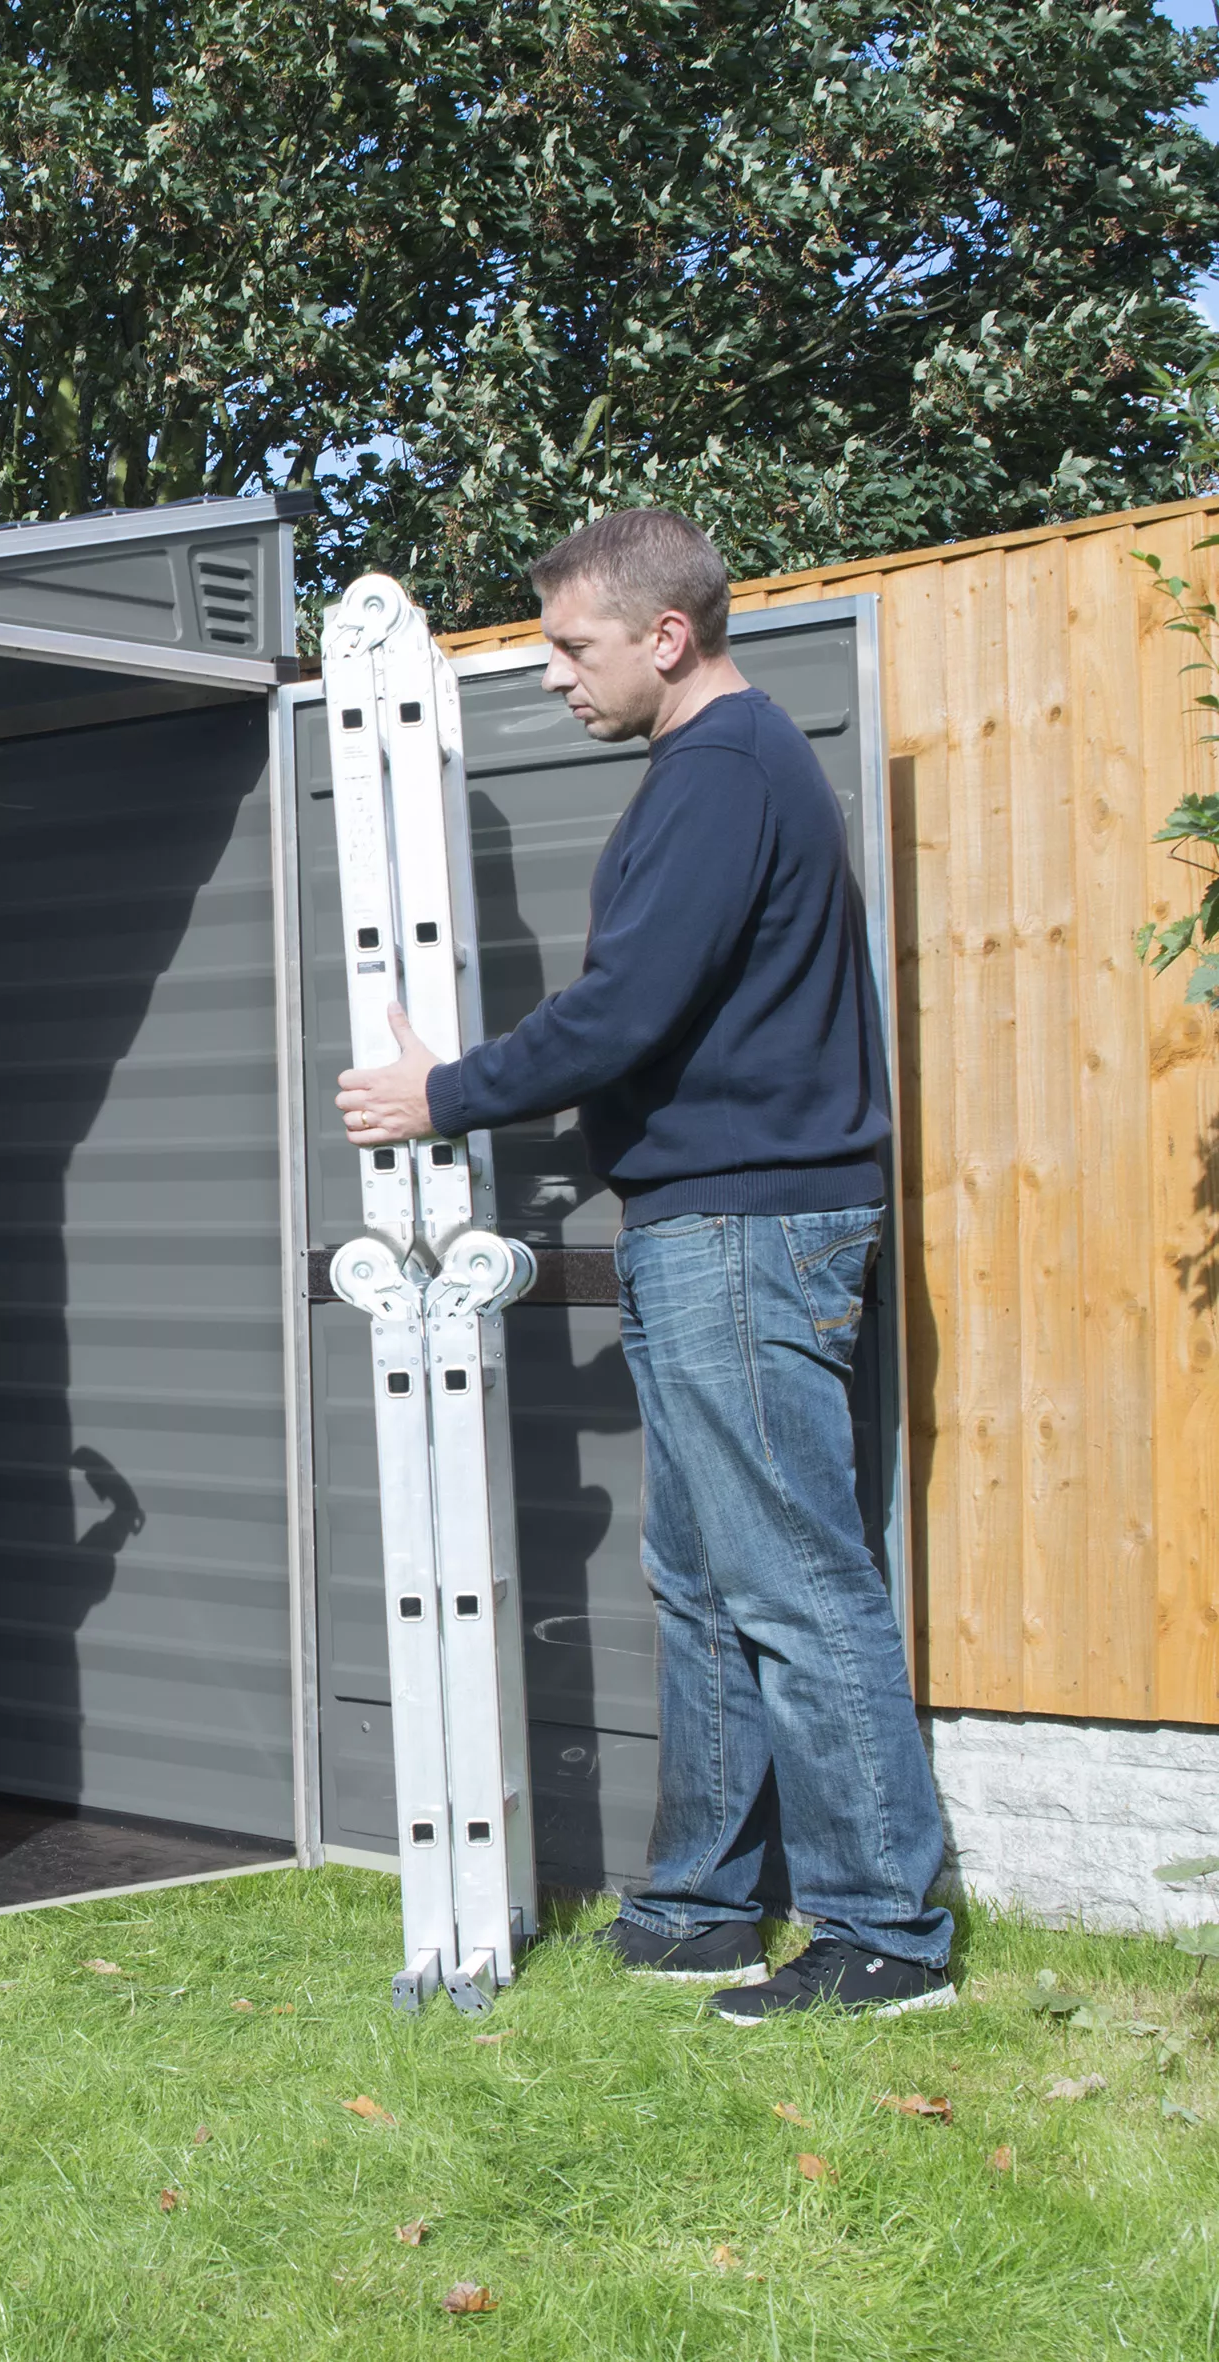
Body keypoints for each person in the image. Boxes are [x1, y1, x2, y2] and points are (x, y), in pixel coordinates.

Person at [334, 509, 951, 2024]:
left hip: (744, 1222)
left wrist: (443, 1093)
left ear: (665, 636)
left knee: (792, 1577)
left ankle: (885, 1934)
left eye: (571, 646)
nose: (553, 675)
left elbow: (623, 1011)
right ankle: (700, 1909)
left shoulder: (723, 771)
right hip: (710, 1220)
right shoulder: (720, 769)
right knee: (703, 1578)